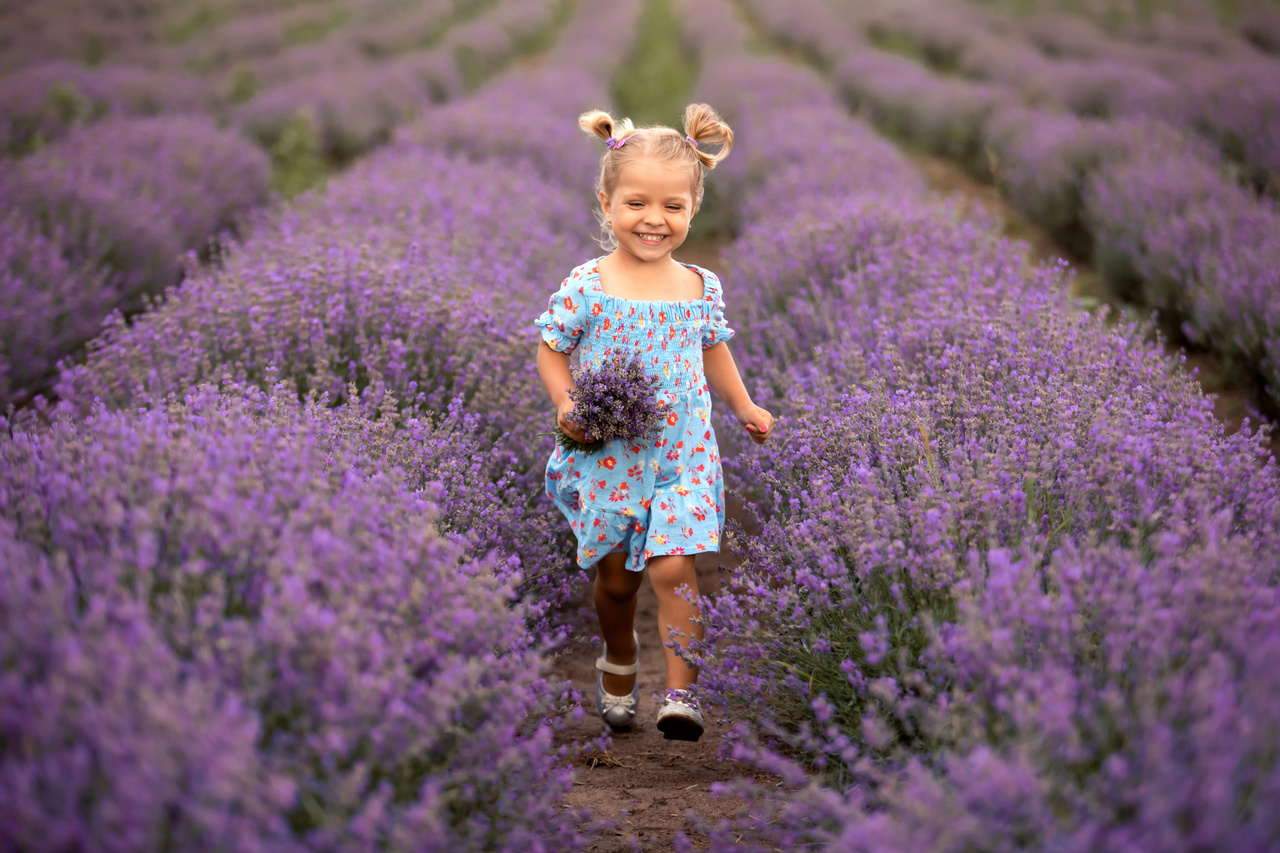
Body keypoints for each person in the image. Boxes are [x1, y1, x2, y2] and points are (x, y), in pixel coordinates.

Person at [534, 103, 773, 742]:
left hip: (682, 452)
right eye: (637, 203)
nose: (654, 220)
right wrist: (567, 407)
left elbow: (712, 347)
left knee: (674, 569)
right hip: (609, 452)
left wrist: (745, 407)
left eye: (672, 207)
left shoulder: (699, 286)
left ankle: (680, 696)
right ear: (607, 202)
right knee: (616, 583)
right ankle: (618, 661)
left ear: (693, 210)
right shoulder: (588, 284)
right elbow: (551, 351)